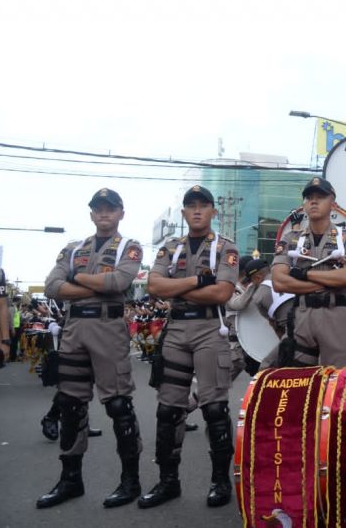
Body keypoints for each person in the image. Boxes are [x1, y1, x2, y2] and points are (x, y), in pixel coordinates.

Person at [36, 188, 144, 509]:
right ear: (92, 214)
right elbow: (51, 286)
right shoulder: (73, 249)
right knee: (70, 405)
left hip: (107, 329)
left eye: (110, 208)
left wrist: (78, 280)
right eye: (98, 209)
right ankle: (71, 480)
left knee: (118, 405)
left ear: (121, 212)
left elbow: (119, 283)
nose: (104, 213)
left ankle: (130, 480)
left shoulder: (130, 247)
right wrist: (92, 281)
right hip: (73, 329)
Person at [140, 185, 241, 509]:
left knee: (214, 409)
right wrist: (198, 282)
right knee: (168, 410)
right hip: (178, 329)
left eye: (203, 205)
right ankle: (168, 482)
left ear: (213, 211)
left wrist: (176, 289)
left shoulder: (225, 247)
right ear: (183, 213)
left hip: (211, 328)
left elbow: (222, 293)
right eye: (191, 206)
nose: (197, 210)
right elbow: (154, 285)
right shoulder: (170, 247)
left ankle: (220, 481)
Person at [271, 178, 346, 367]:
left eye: (320, 197)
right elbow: (279, 281)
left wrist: (305, 275)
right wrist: (331, 281)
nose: (314, 201)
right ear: (304, 204)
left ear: (333, 203)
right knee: (299, 382)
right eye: (309, 197)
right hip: (302, 316)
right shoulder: (291, 239)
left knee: (339, 382)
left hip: (336, 314)